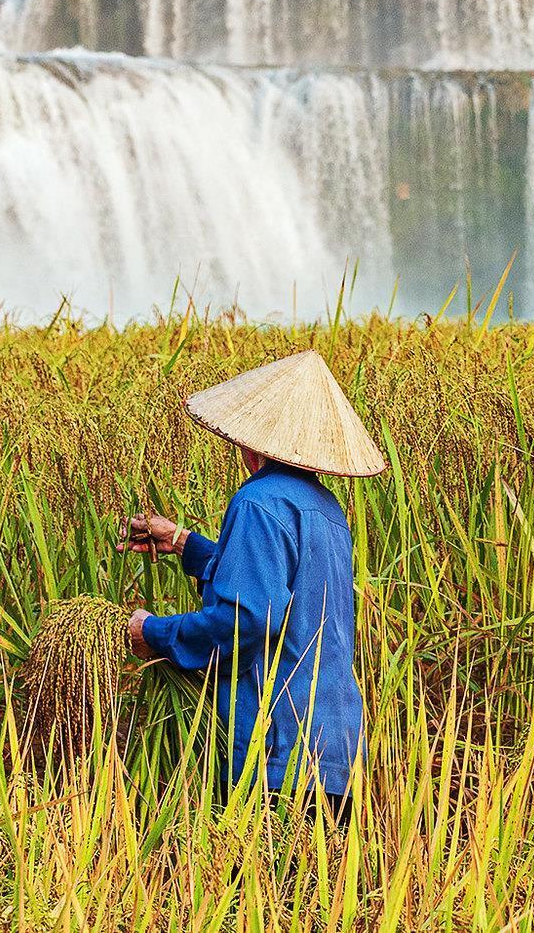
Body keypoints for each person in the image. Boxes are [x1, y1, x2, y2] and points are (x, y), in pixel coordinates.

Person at [116, 350, 385, 818]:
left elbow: (245, 617)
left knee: (253, 888)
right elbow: (282, 589)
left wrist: (152, 633)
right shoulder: (327, 511)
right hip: (336, 749)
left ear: (250, 440)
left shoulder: (257, 502)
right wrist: (183, 542)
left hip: (277, 750)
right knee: (316, 890)